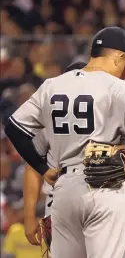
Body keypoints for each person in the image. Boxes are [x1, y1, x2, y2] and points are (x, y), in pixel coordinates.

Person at [4, 27, 125, 258]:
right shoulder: (117, 86)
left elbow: (13, 127)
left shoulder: (52, 85)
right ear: (118, 56)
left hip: (64, 189)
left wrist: (43, 169)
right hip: (105, 187)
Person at [22, 61, 86, 247]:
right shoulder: (51, 118)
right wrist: (29, 217)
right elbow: (33, 168)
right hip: (61, 202)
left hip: (87, 200)